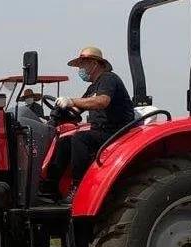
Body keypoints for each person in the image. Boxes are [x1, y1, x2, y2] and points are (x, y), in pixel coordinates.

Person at [39, 46, 133, 203]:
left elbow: (102, 101)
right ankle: (49, 187)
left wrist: (71, 100)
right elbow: (77, 109)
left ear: (95, 64)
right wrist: (61, 111)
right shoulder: (92, 87)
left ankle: (78, 186)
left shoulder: (108, 79)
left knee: (79, 139)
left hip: (116, 132)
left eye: (83, 64)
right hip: (100, 132)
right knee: (64, 142)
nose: (80, 69)